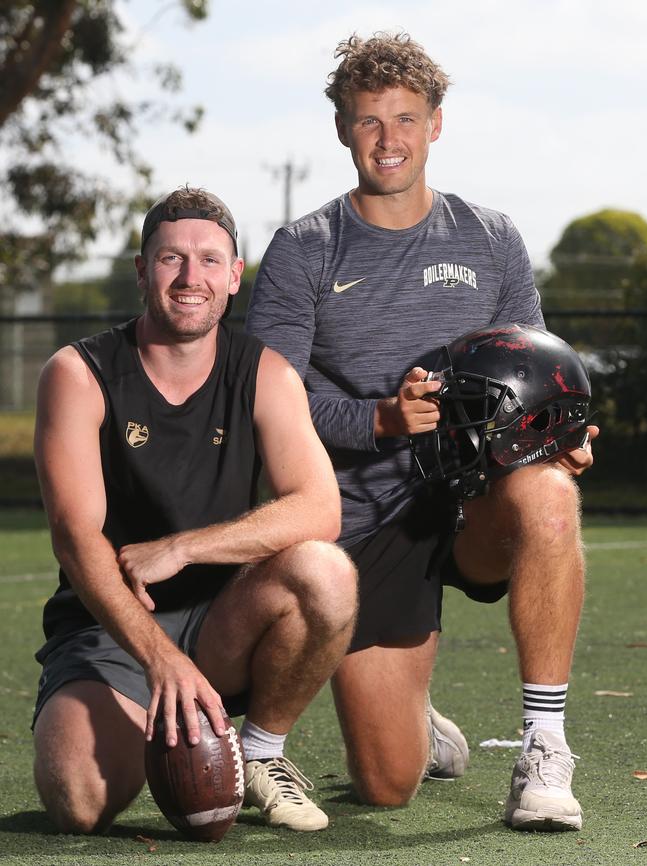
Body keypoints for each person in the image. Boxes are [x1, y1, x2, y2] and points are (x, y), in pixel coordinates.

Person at [246, 33, 599, 831]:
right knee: (388, 784)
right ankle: (421, 720)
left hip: (475, 495)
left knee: (549, 493)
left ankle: (545, 749)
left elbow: (532, 370)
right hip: (370, 513)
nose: (388, 140)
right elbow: (272, 403)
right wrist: (377, 418)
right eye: (368, 121)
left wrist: (564, 435)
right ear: (342, 129)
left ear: (436, 123)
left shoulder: (492, 237)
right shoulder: (303, 250)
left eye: (405, 118)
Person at [32, 186, 358, 835]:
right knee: (79, 801)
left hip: (226, 622)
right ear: (142, 269)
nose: (190, 278)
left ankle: (262, 750)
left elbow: (320, 509)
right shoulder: (80, 372)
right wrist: (160, 659)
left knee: (325, 571)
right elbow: (77, 538)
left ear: (235, 276)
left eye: (210, 260)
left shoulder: (264, 373)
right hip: (113, 630)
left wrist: (185, 547)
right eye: (171, 259)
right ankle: (161, 727)